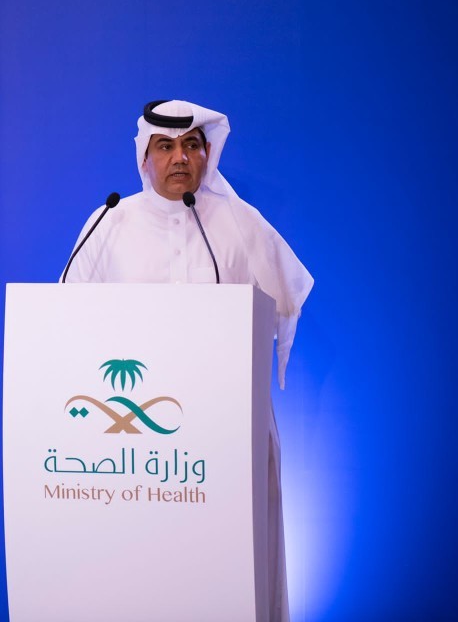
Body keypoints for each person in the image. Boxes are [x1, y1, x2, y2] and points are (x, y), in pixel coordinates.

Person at [64, 99, 314, 622]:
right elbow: (67, 319)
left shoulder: (240, 223)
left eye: (191, 145)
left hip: (229, 433)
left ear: (207, 154)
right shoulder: (109, 223)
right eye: (165, 146)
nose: (179, 156)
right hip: (135, 453)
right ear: (145, 158)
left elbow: (284, 299)